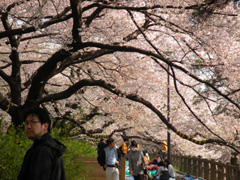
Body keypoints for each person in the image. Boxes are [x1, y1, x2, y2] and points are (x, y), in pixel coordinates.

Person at [18, 107, 66, 180]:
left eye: (33, 122)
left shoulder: (43, 150)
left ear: (45, 126)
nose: (28, 127)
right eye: (26, 123)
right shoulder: (52, 147)